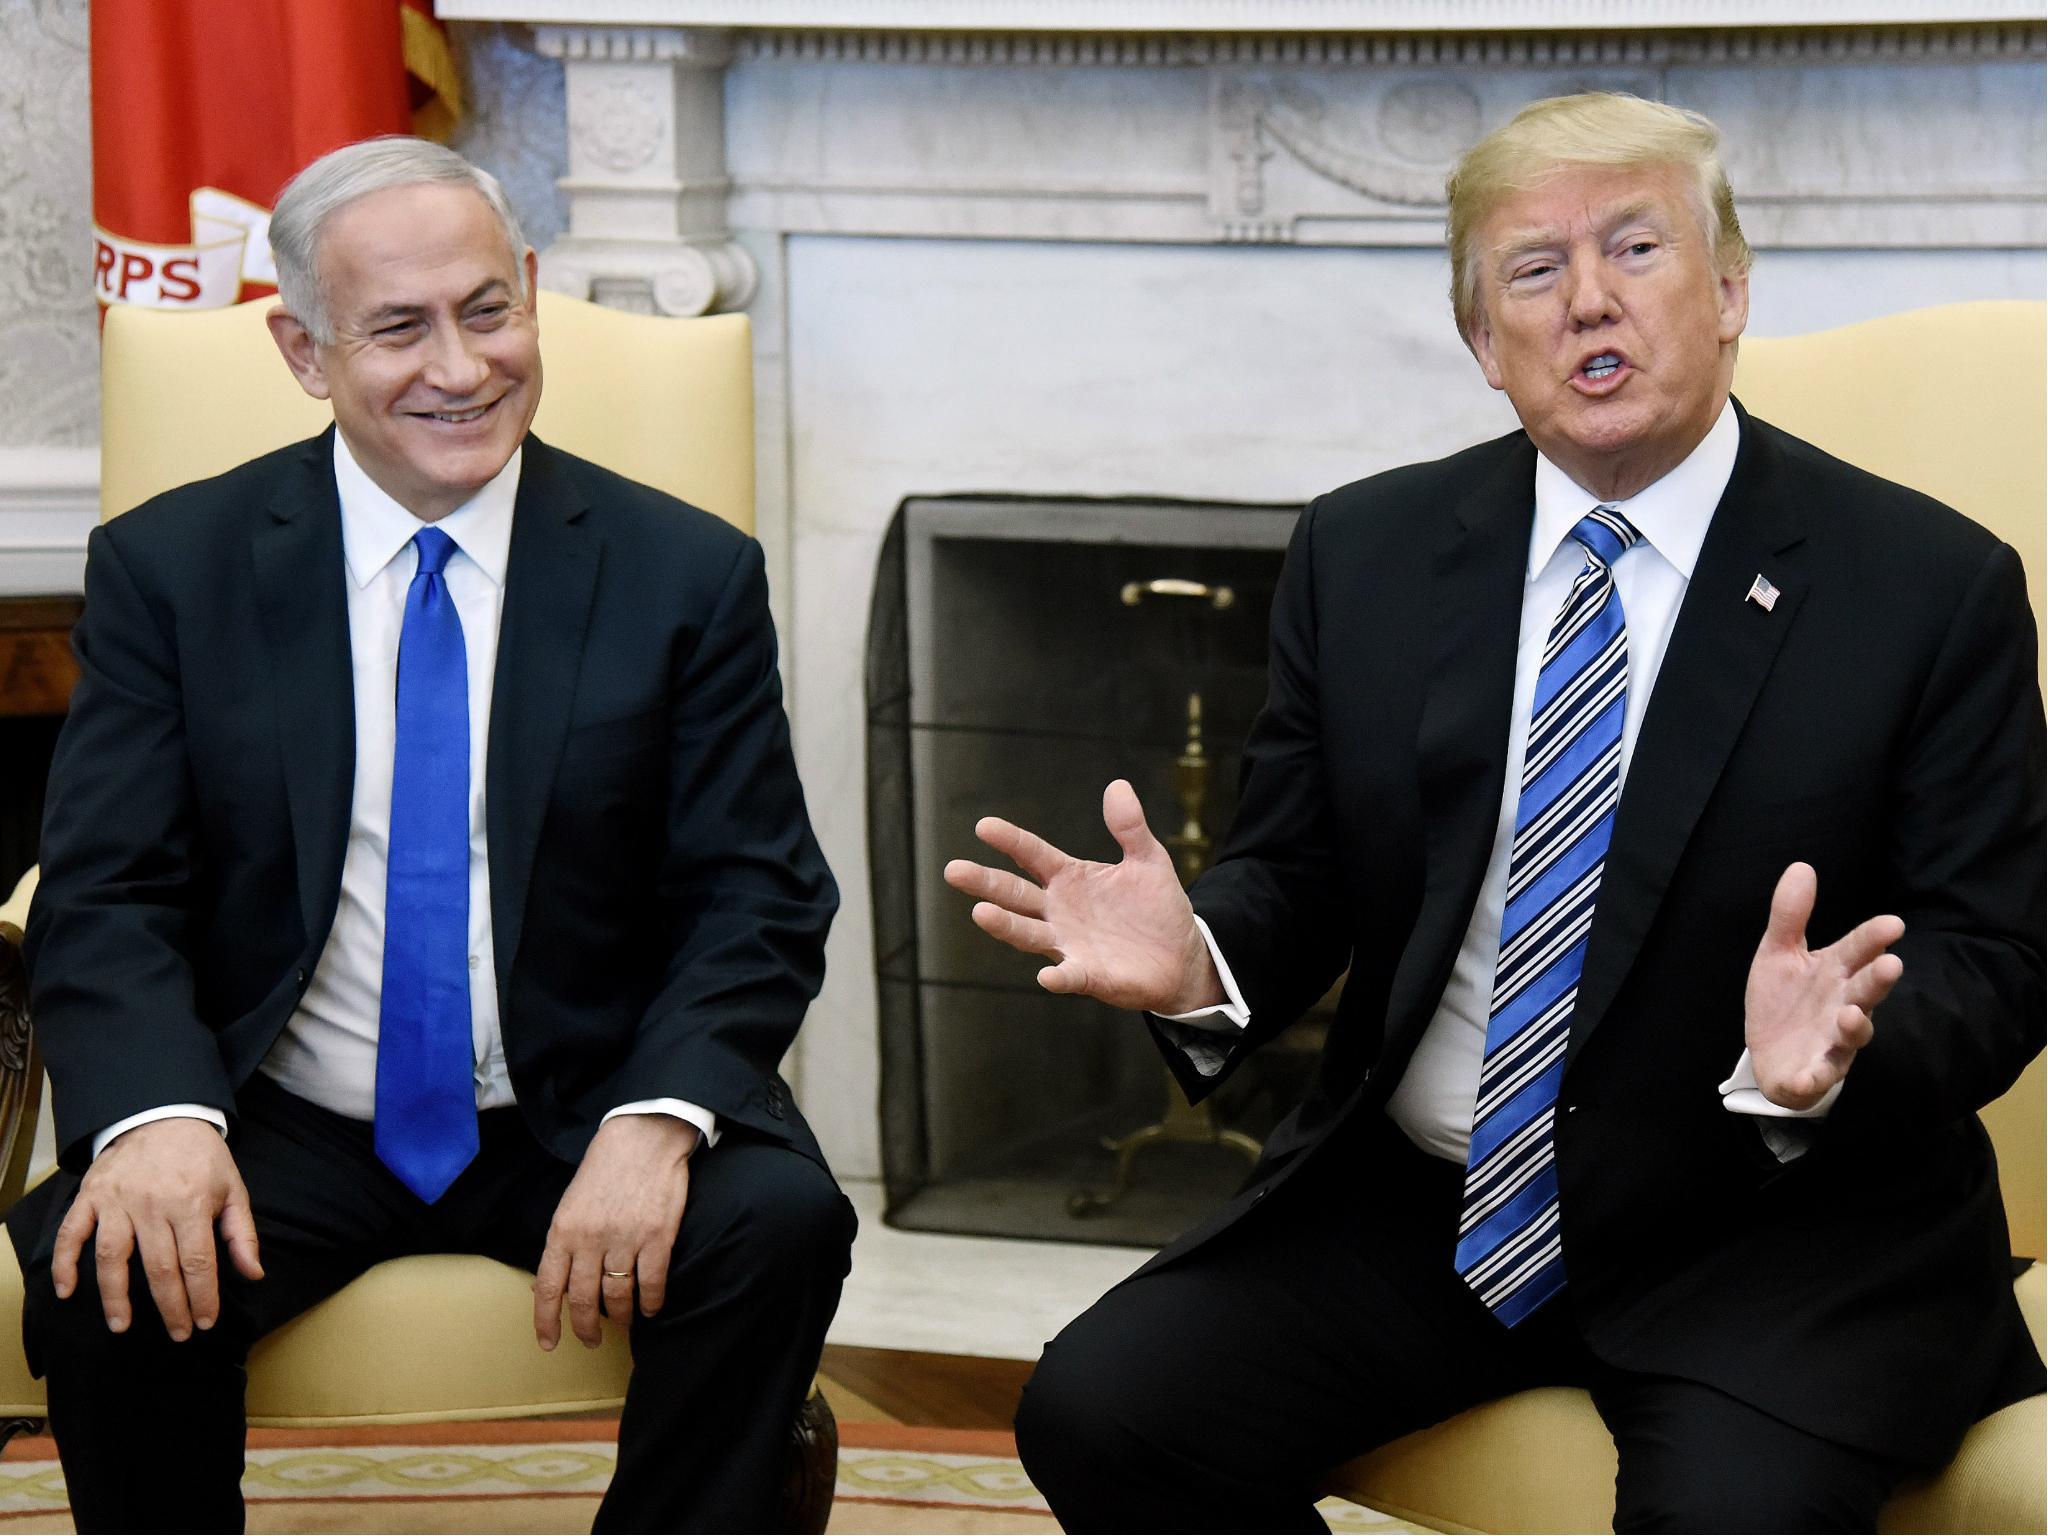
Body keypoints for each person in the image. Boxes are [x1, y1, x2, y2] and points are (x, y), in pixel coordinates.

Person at [946, 92, 2044, 1532]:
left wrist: (1833, 1054)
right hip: (1429, 1208)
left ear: (1729, 293)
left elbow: (1999, 958)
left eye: (1637, 249)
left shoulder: (1927, 586)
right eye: (1533, 270)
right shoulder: (1370, 550)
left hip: (1769, 1233)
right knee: (1104, 1411)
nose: (1589, 298)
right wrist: (1202, 958)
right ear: (1482, 343)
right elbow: (1300, 872)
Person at [9, 136, 853, 1533]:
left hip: (577, 1099)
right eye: (397, 328)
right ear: (302, 349)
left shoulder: (684, 575)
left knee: (775, 1227)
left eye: (487, 309)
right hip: (280, 1105)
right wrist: (157, 1115)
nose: (460, 369)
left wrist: (657, 1119)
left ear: (530, 293)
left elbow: (756, 896)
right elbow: (106, 889)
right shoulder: (175, 571)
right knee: (110, 1264)